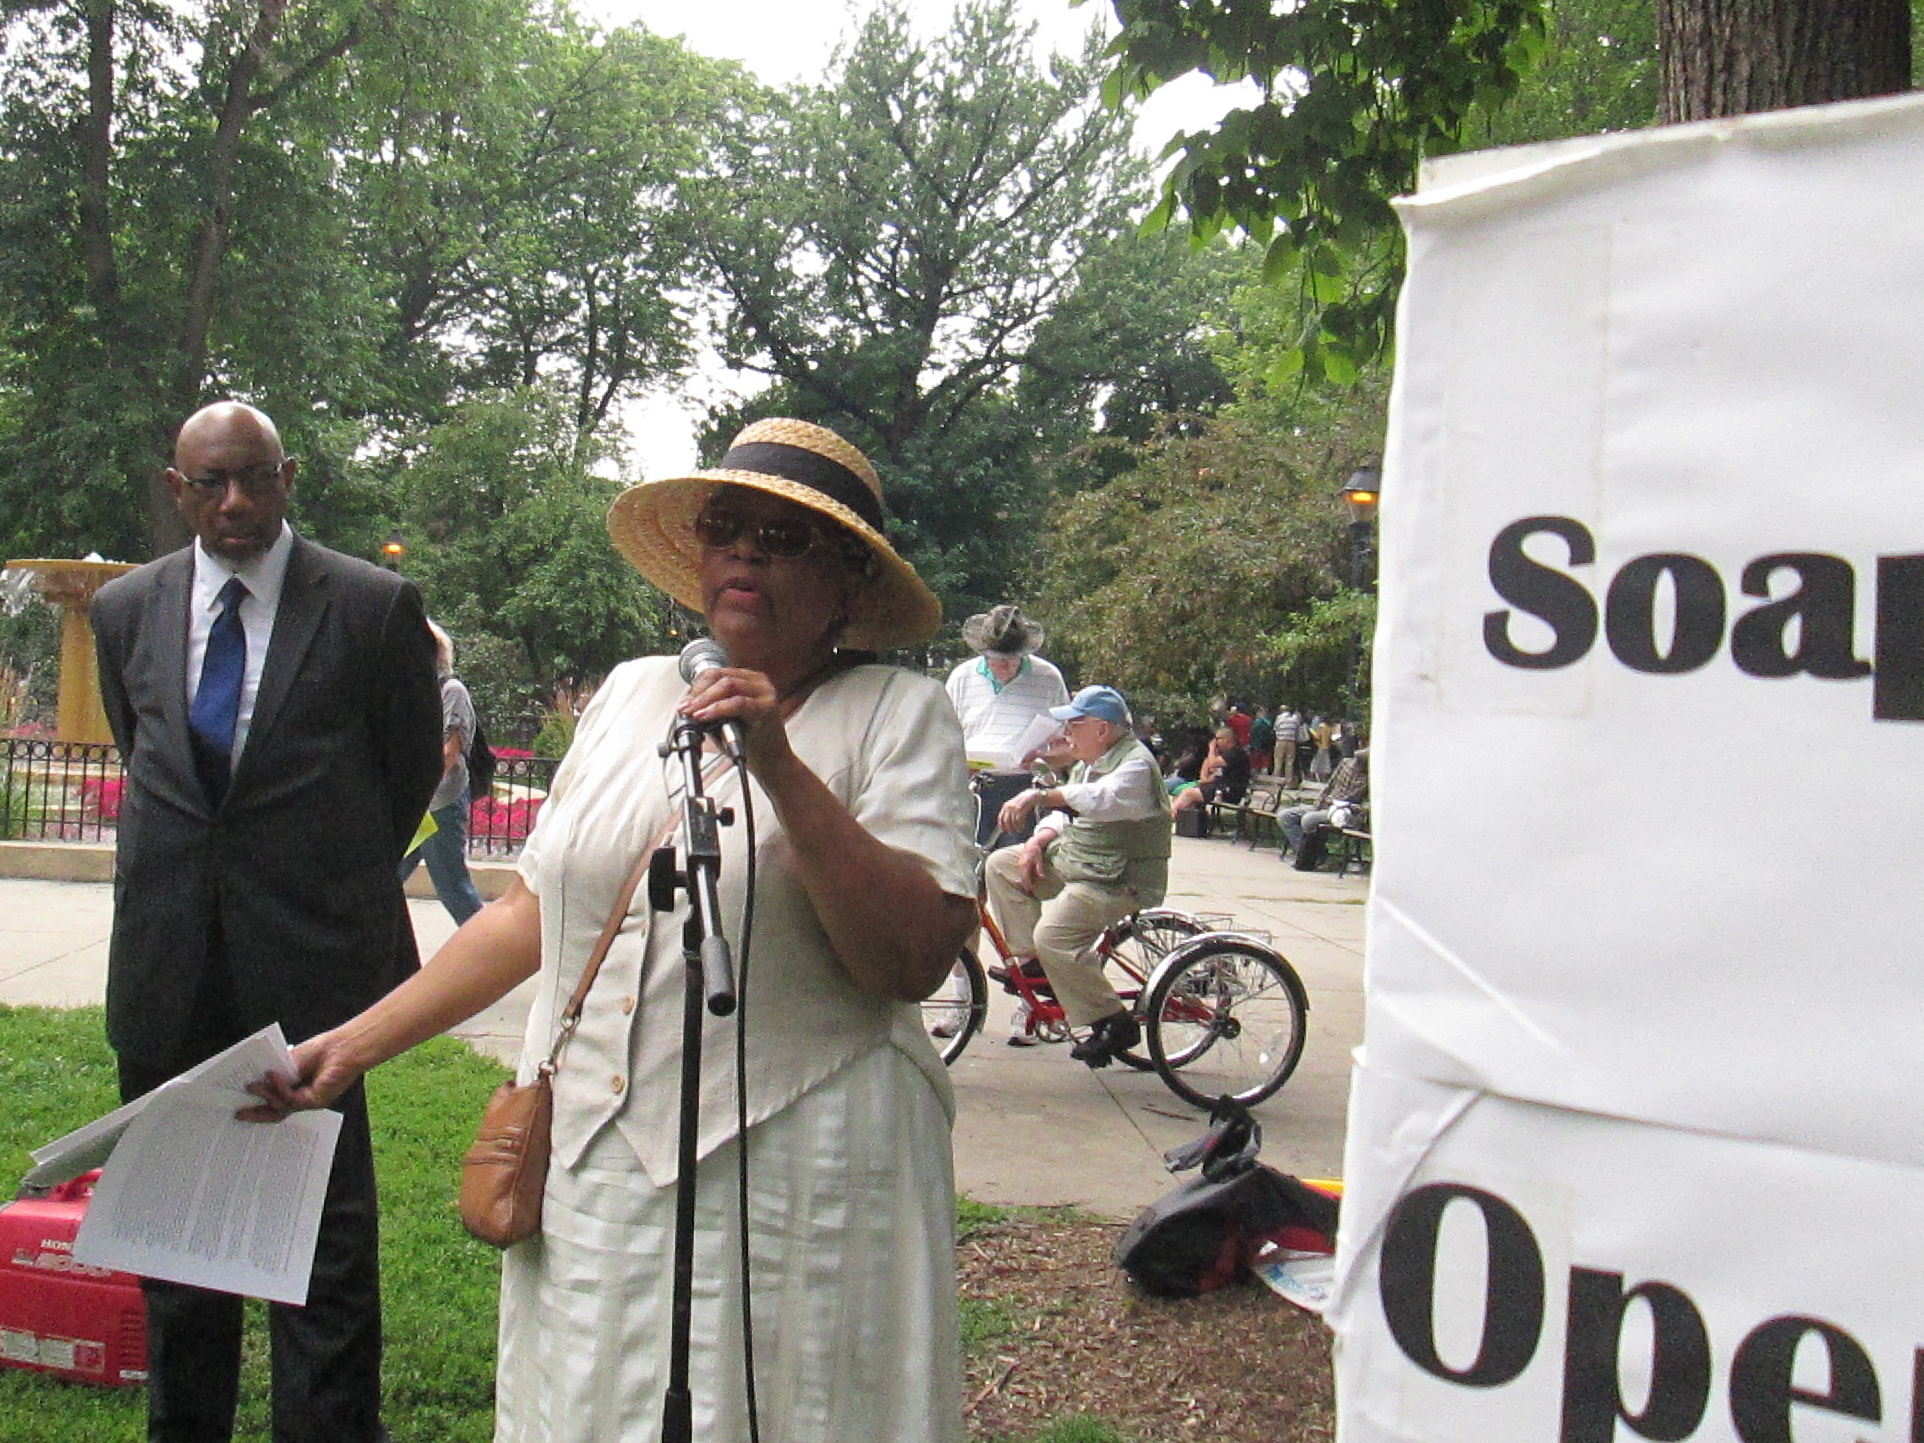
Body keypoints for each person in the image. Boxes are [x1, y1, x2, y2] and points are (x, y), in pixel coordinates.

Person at [243, 418, 978, 1442]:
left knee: (785, 1408)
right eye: (725, 528)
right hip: (595, 1164)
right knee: (589, 1407)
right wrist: (355, 1045)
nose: (746, 553)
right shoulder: (634, 694)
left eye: (784, 537)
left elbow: (907, 959)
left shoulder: (901, 715)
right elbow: (532, 913)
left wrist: (778, 765)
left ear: (851, 581)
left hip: (800, 1173)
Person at [91, 400, 443, 1443]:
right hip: (169, 966)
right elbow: (148, 754)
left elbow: (405, 774)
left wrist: (313, 882)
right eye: (211, 482)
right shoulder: (126, 610)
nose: (235, 501)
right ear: (178, 489)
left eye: (255, 478)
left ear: (288, 478)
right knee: (175, 1236)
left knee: (322, 1246)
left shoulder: (372, 607)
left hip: (312, 971)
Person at [984, 686, 1174, 1068]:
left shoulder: (1136, 765)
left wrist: (1038, 797)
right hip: (1083, 860)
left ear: (1102, 729)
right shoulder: (1091, 761)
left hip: (1118, 877)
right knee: (1003, 865)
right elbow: (1069, 810)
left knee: (1054, 935)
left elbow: (1099, 799)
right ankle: (1038, 966)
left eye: (1076, 723)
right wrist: (1038, 840)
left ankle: (1112, 1021)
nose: (1067, 731)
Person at [944, 604, 1068, 848]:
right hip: (974, 785)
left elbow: (1066, 740)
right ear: (984, 653)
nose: (1005, 665)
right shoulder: (961, 677)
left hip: (1026, 786)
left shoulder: (1049, 678)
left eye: (1012, 658)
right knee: (970, 857)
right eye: (998, 659)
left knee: (1016, 859)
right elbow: (944, 735)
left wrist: (1046, 759)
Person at [1280, 749, 1369, 870]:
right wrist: (1318, 804)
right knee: (1285, 816)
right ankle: (1311, 853)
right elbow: (1329, 786)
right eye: (1356, 761)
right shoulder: (1345, 764)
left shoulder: (1370, 777)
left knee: (1308, 819)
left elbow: (1360, 802)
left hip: (1345, 813)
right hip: (1326, 805)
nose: (1355, 765)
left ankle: (1309, 858)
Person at [1170, 724, 1250, 824]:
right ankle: (1184, 822)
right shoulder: (1228, 753)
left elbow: (1212, 763)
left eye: (1218, 739)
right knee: (1186, 793)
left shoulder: (1236, 753)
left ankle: (1169, 818)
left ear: (1227, 740)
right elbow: (1212, 768)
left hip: (1229, 792)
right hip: (1221, 788)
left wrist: (1211, 749)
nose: (1215, 742)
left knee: (1189, 793)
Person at [1273, 704, 1303, 788]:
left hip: (1280, 741)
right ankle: (1289, 783)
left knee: (1278, 762)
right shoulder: (1294, 719)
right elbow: (1298, 729)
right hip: (1291, 742)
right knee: (1289, 762)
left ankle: (1276, 782)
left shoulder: (1279, 718)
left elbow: (1275, 728)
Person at [1248, 705, 1275, 775]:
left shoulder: (1256, 722)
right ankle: (1264, 775)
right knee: (1264, 762)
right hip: (1266, 745)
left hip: (1256, 745)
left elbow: (1252, 733)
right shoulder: (1268, 722)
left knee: (1255, 762)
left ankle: (1255, 775)